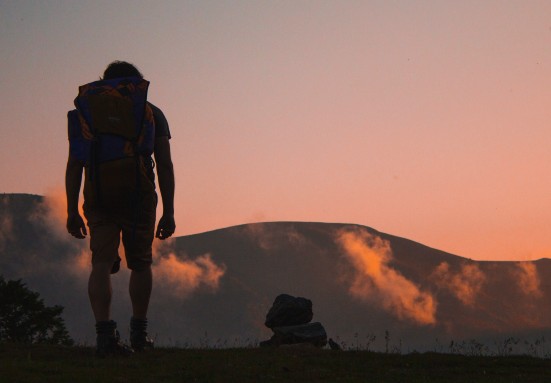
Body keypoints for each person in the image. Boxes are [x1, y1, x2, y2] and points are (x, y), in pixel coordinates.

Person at [65, 61, 176, 356]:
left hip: (98, 193)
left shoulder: (87, 113)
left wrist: (71, 209)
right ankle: (139, 335)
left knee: (100, 264)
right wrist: (169, 210)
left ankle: (104, 337)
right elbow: (164, 165)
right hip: (137, 194)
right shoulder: (150, 112)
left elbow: (75, 163)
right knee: (140, 263)